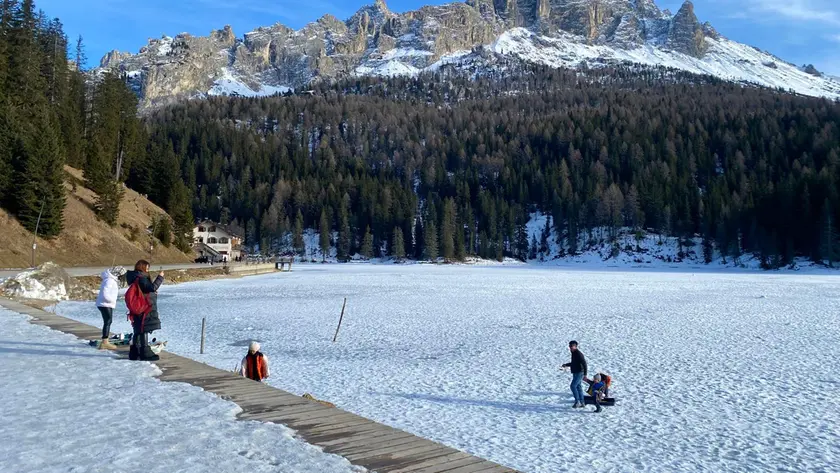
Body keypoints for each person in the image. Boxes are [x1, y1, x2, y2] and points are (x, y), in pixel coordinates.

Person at [126, 260, 164, 361]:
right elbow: (152, 287)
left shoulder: (135, 277)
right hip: (143, 307)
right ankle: (144, 352)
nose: (148, 270)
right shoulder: (141, 278)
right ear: (142, 268)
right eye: (147, 268)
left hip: (137, 307)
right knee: (144, 329)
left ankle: (135, 352)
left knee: (138, 330)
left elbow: (146, 290)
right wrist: (160, 277)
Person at [95, 266, 126, 350]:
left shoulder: (110, 280)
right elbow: (105, 293)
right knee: (108, 321)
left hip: (105, 304)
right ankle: (105, 342)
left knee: (108, 321)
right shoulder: (109, 280)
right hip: (105, 304)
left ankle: (105, 341)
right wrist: (112, 300)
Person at [561, 340, 588, 408]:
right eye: (570, 346)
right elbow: (574, 363)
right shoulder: (573, 353)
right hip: (575, 372)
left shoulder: (578, 353)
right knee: (578, 387)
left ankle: (577, 402)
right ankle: (582, 402)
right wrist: (566, 365)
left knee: (573, 386)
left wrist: (585, 374)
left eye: (572, 346)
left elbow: (584, 363)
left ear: (575, 346)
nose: (571, 348)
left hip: (579, 372)